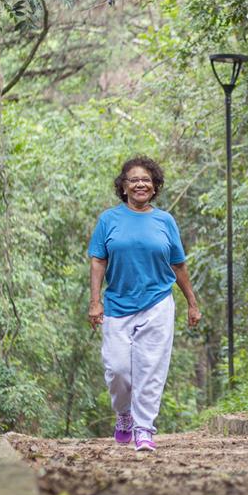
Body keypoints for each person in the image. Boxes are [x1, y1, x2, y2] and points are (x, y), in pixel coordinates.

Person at [87, 155, 201, 451]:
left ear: (154, 187)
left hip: (158, 302)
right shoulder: (108, 220)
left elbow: (178, 265)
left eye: (146, 180)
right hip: (117, 304)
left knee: (151, 367)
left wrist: (192, 302)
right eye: (134, 180)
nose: (140, 184)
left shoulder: (165, 221)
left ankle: (144, 428)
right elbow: (98, 261)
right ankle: (124, 414)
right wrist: (95, 301)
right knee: (118, 369)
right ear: (123, 187)